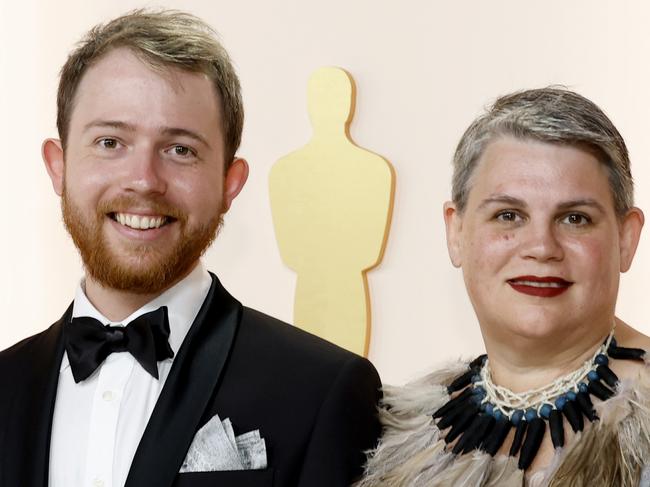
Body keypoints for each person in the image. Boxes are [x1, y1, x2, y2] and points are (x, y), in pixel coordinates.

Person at [0, 10, 381, 487]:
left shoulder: (323, 391)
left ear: (230, 182)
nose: (143, 180)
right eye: (110, 141)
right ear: (58, 166)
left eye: (180, 149)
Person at [359, 88, 650, 487]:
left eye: (575, 219)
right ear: (456, 231)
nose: (542, 248)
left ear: (625, 238)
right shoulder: (387, 434)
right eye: (508, 215)